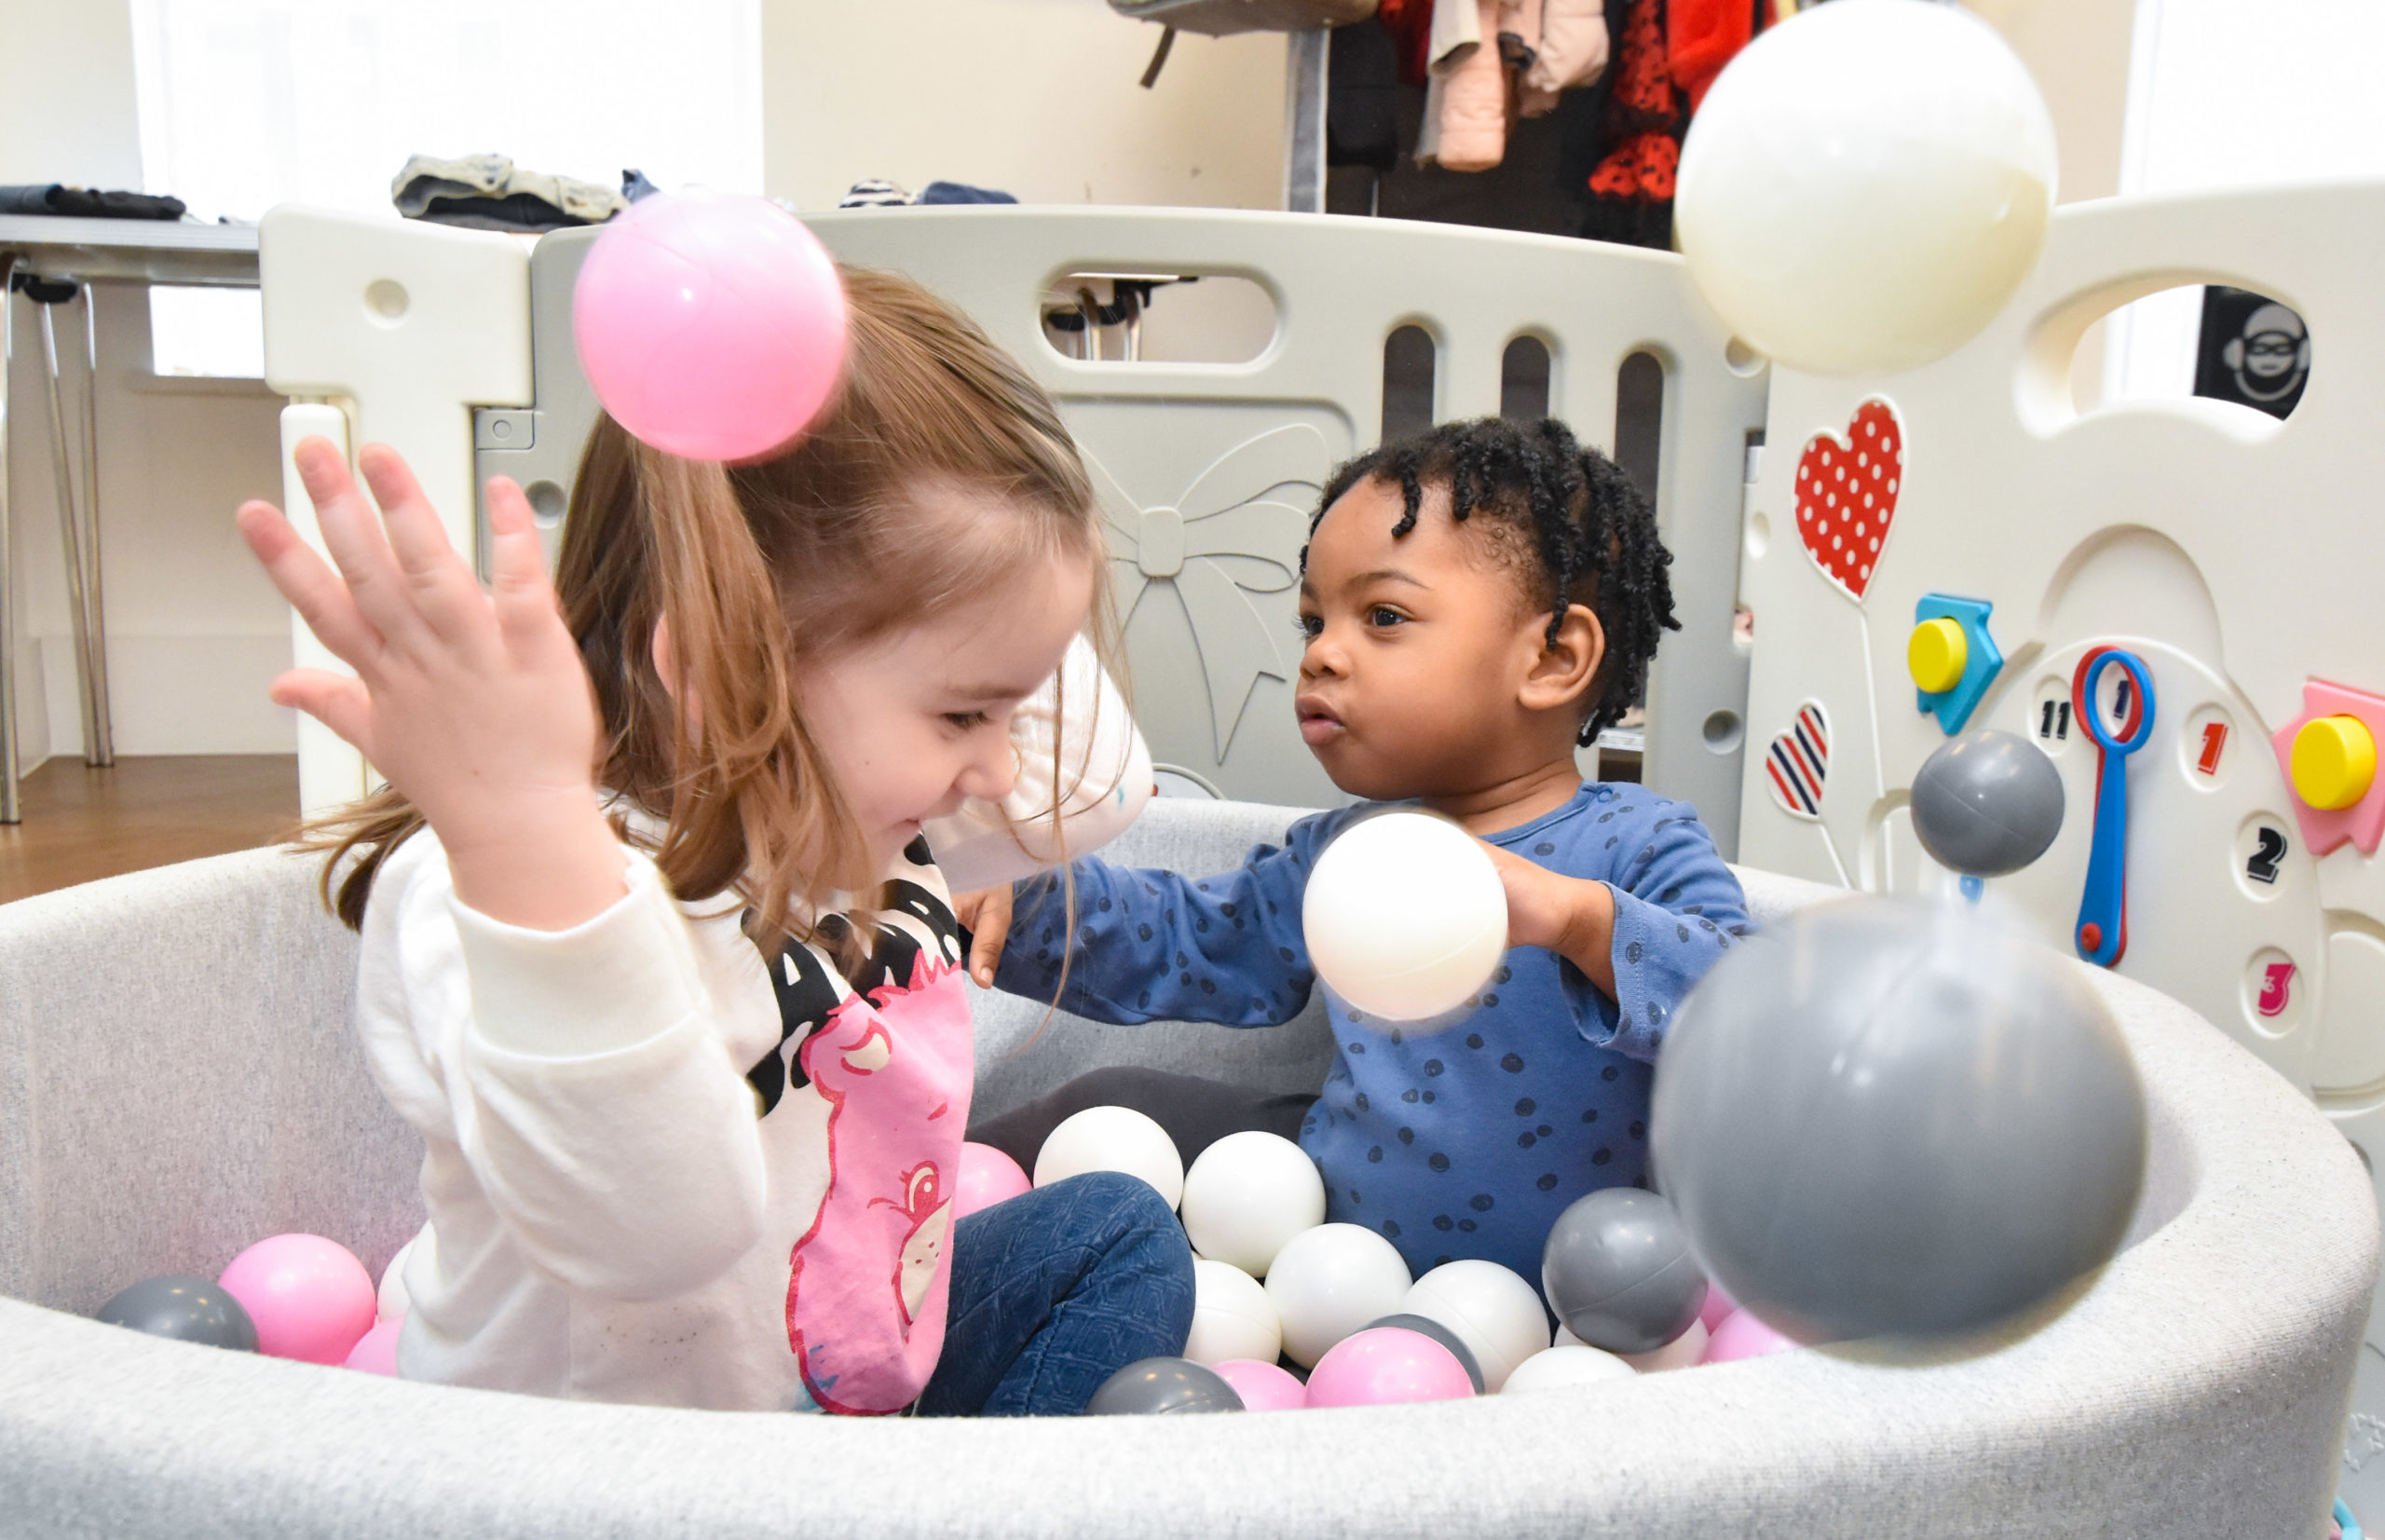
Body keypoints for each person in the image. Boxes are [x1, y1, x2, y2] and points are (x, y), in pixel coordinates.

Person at [235, 267, 1190, 1417]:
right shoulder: (490, 888)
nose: (998, 765)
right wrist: (525, 836)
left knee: (1117, 1234)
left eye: (1009, 704)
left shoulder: (871, 813)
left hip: (828, 1383)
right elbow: (655, 1240)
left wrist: (1001, 548)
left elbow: (1102, 781)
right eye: (963, 714)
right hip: (600, 1474)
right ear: (731, 667)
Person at [963, 416, 1751, 1284]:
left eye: (1383, 615)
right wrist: (1011, 893)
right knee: (1111, 1102)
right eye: (1312, 621)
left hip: (1584, 1306)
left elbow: (1751, 1018)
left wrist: (1577, 920)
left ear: (1555, 657)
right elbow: (1190, 941)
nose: (1322, 655)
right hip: (1326, 1278)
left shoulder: (1638, 842)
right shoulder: (1351, 852)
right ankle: (914, 1223)